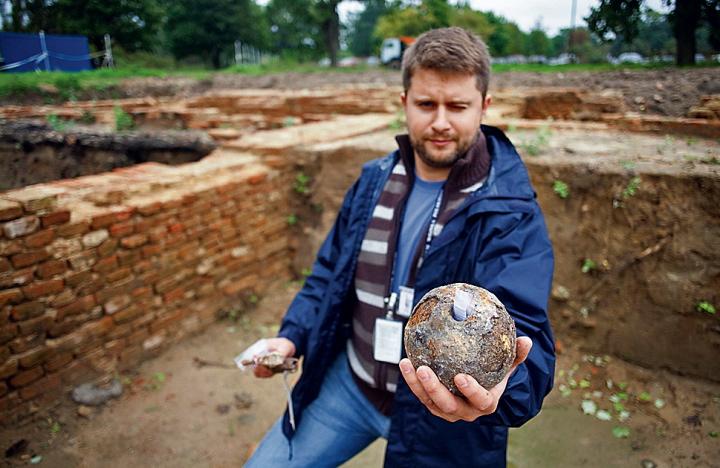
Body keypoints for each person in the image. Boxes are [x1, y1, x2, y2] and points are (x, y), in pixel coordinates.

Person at [245, 26, 555, 468]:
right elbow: (328, 276)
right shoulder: (372, 182)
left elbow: (526, 331)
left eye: (458, 106)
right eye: (426, 104)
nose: (441, 122)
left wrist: (503, 390)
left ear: (484, 106)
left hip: (443, 422)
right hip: (350, 386)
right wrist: (291, 336)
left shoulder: (510, 210)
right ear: (404, 102)